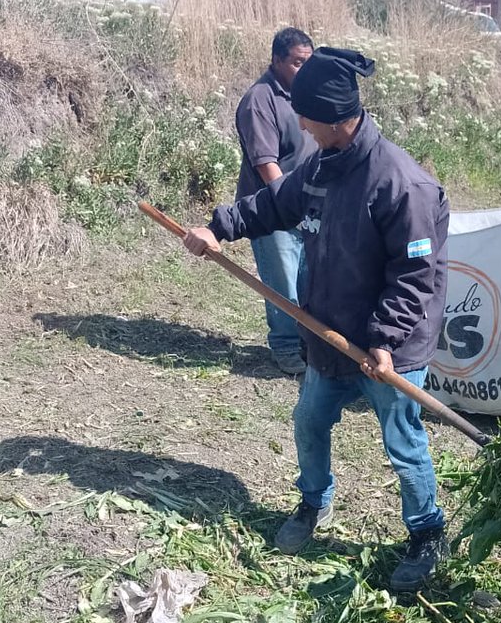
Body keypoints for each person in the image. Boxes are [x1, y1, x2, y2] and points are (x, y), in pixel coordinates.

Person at [183, 47, 449, 592]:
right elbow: (273, 203)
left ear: (332, 117)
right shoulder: (323, 165)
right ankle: (313, 502)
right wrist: (220, 228)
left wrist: (383, 340)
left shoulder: (403, 184)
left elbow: (416, 276)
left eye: (306, 116)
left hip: (388, 347)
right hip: (329, 334)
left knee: (403, 441)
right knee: (309, 422)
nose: (299, 123)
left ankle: (427, 534)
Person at [234, 27, 315, 374]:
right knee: (282, 281)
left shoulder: (304, 97)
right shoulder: (260, 100)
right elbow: (266, 163)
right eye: (297, 63)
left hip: (308, 205)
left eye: (308, 63)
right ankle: (285, 347)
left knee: (310, 279)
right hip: (273, 209)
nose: (304, 70)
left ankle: (310, 345)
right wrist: (287, 204)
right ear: (276, 60)